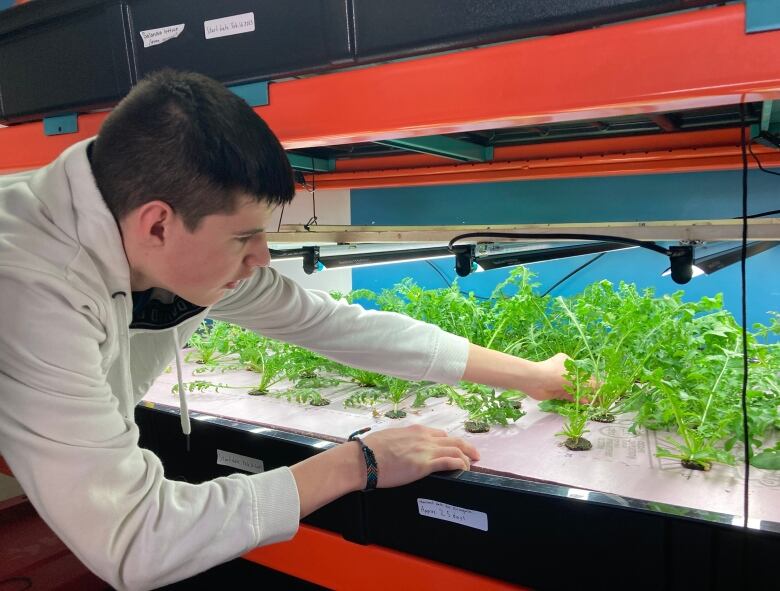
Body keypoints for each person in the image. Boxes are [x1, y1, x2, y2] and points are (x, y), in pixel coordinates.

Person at [0, 70, 570, 590]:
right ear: (157, 224)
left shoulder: (162, 238)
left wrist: (531, 376)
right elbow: (135, 541)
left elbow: (327, 323)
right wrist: (357, 463)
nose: (262, 258)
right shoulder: (31, 290)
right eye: (244, 237)